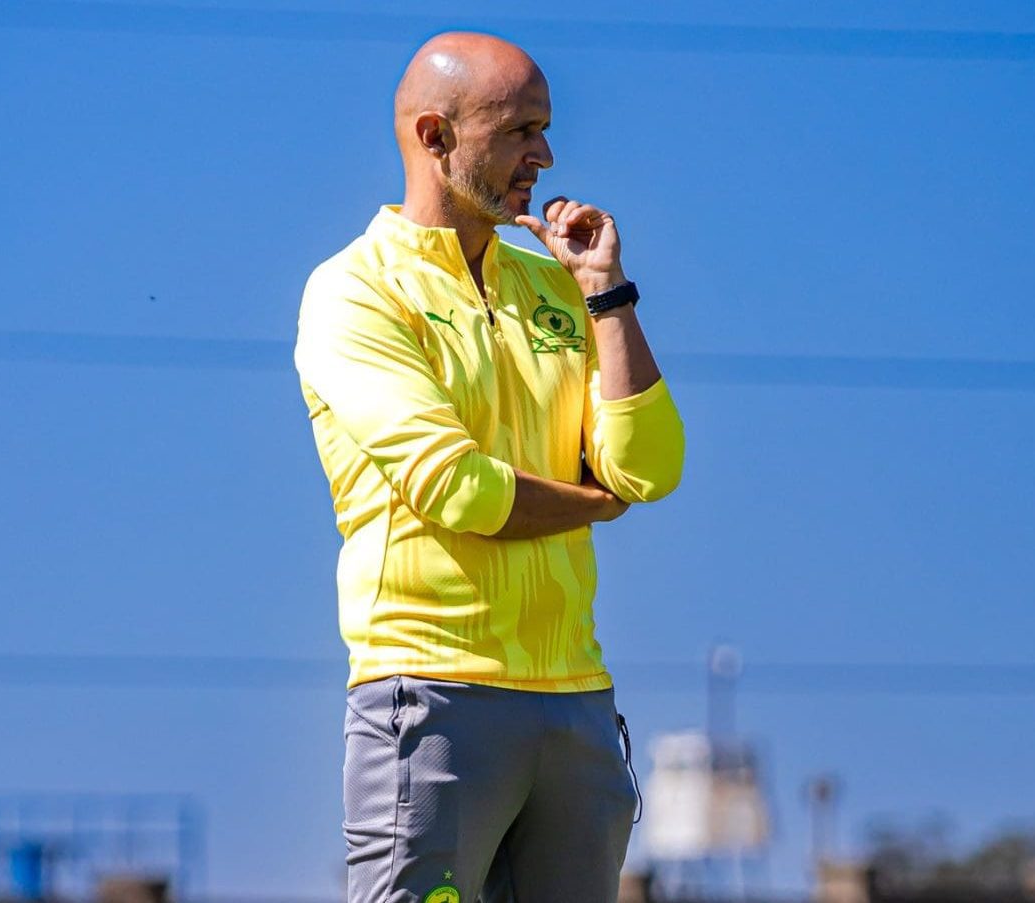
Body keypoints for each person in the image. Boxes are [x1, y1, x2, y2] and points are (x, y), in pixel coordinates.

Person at [294, 31, 685, 903]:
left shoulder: (555, 285)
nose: (544, 156)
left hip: (576, 698)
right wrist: (597, 501)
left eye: (544, 130)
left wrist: (606, 297)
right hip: (430, 692)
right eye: (519, 131)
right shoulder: (354, 290)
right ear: (435, 137)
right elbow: (459, 488)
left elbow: (649, 468)